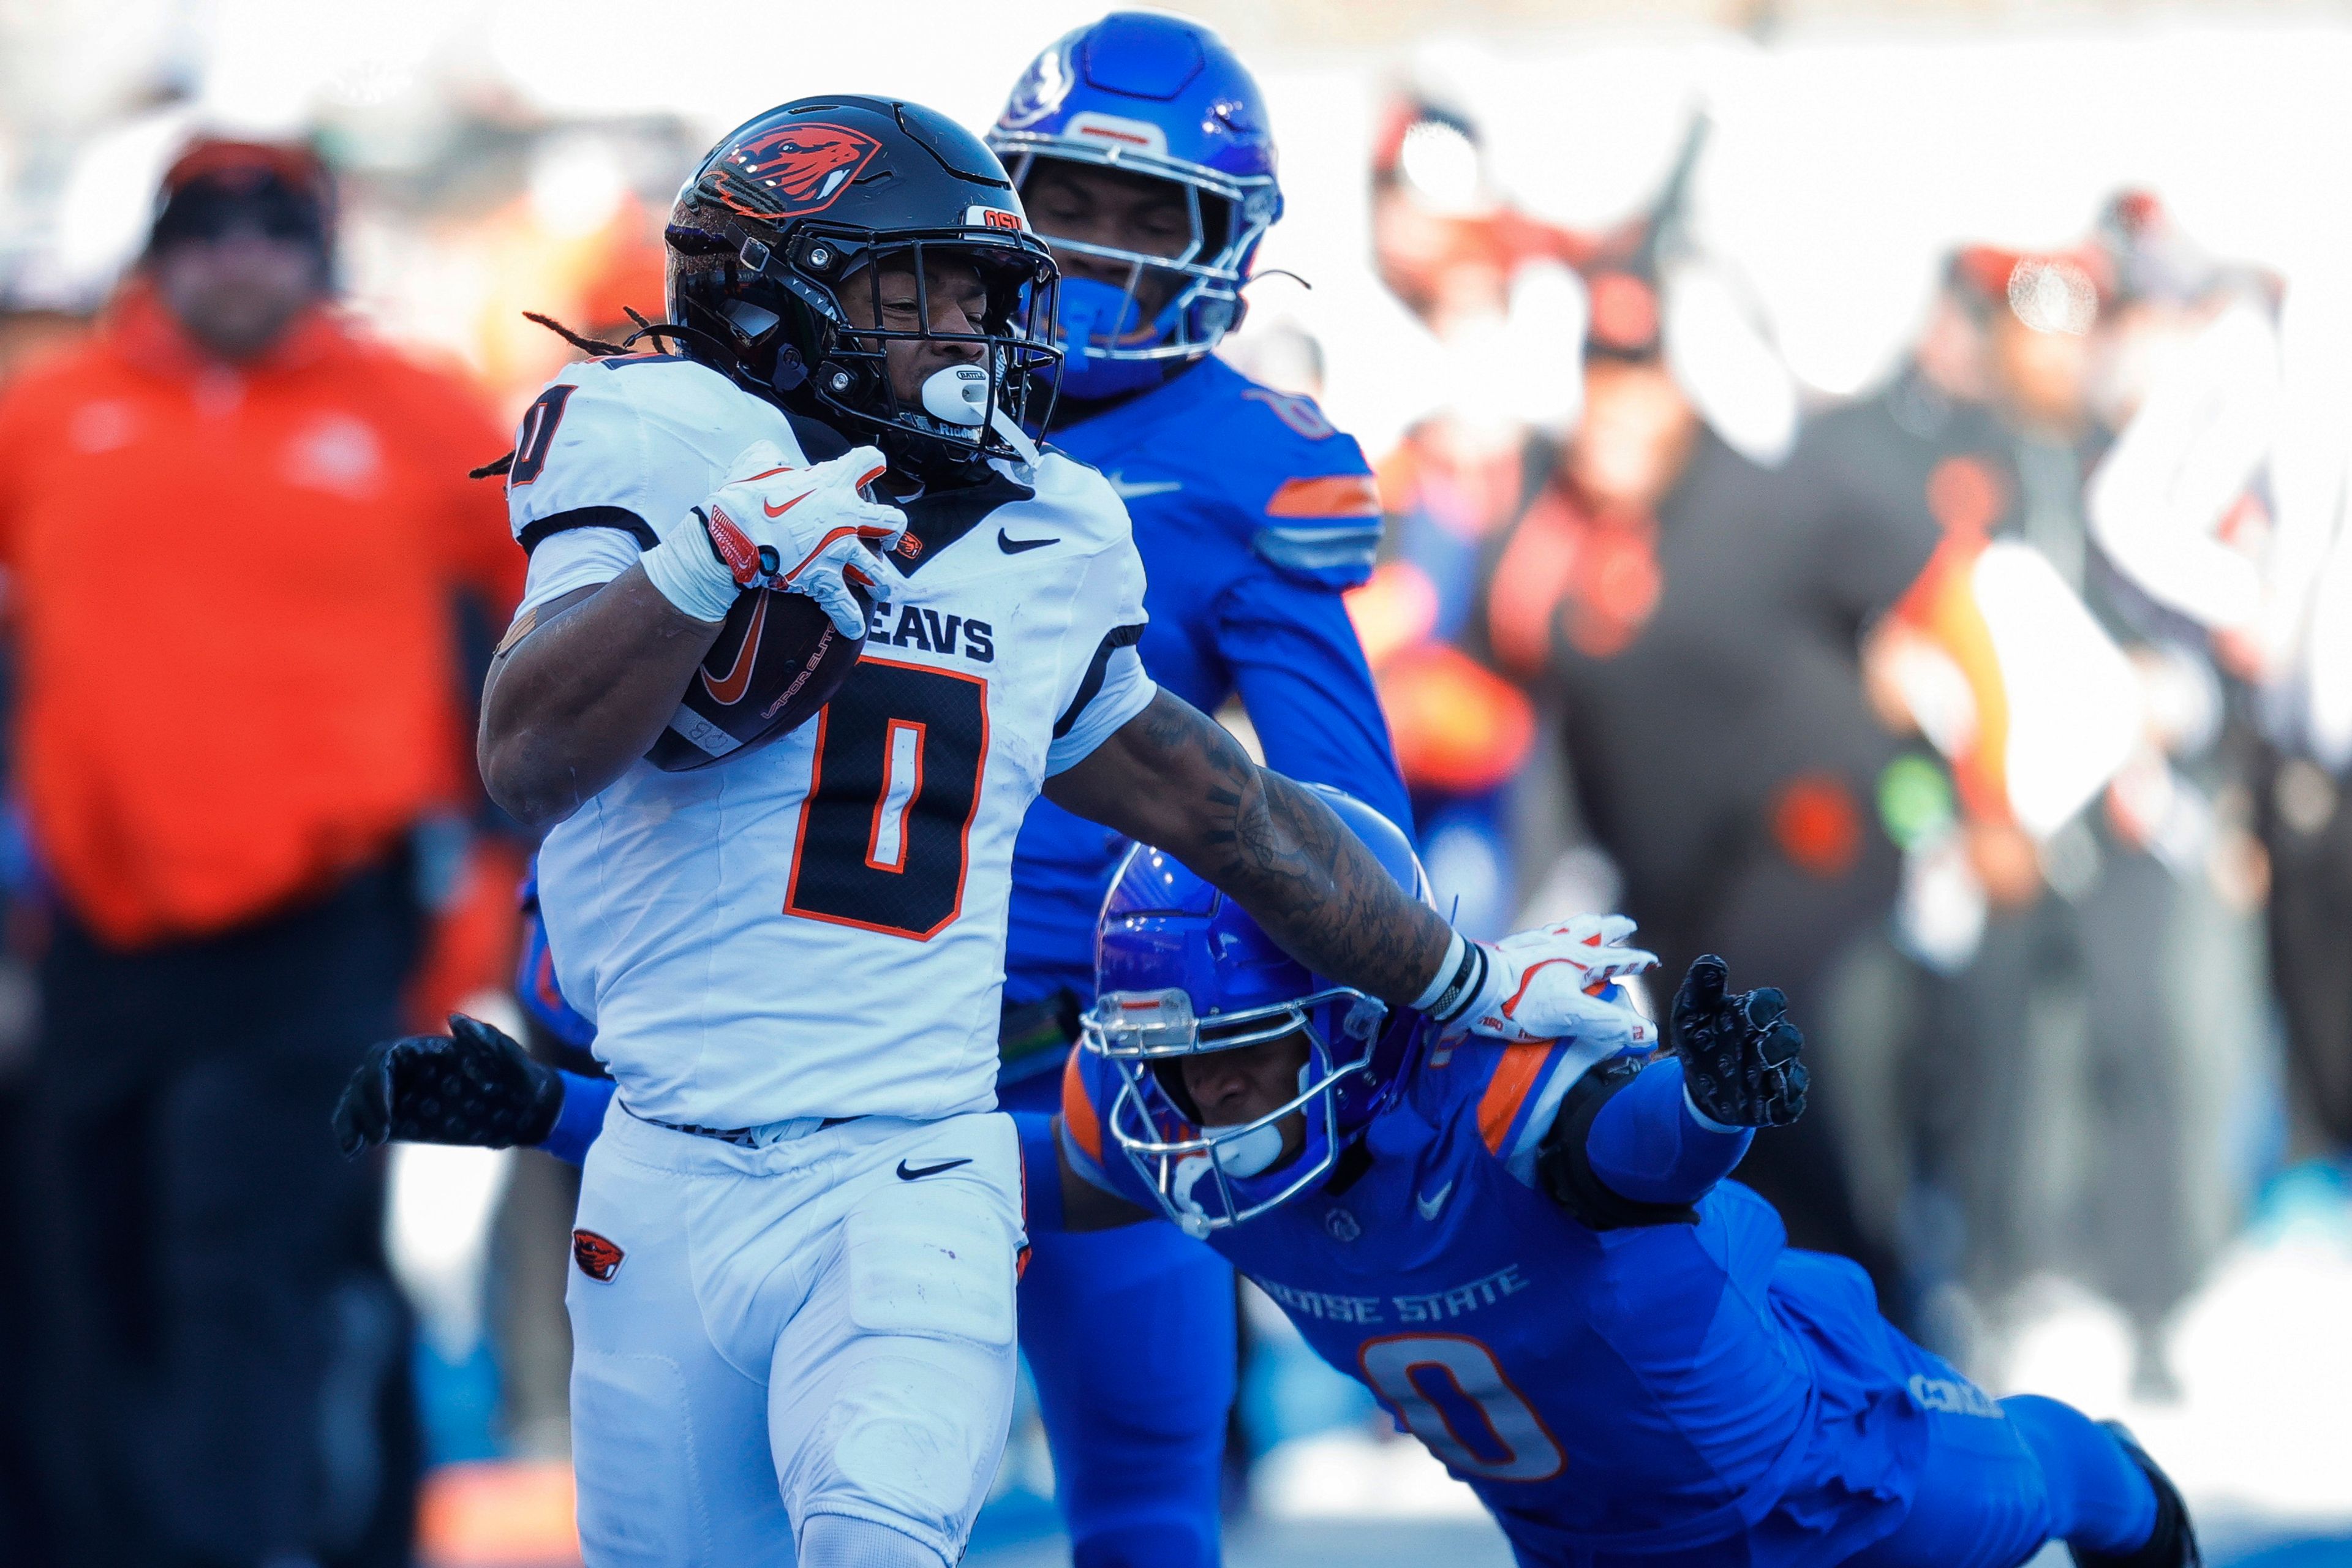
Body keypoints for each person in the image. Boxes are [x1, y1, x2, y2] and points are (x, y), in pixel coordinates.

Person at [467, 92, 1654, 1568]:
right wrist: (709, 567)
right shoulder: (659, 435)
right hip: (666, 1158)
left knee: (881, 1530)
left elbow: (1225, 808)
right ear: (782, 289)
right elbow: (527, 753)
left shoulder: (1047, 525)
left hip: (911, 1164)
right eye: (934, 290)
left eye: (987, 295)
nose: (977, 332)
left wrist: (1462, 979)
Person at [343, 792, 2198, 1568]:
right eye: (1162, 1070)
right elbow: (893, 1158)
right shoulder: (1189, 1141)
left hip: (1816, 1489)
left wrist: (1706, 1111)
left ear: (1363, 1027)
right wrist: (561, 1113)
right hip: (1581, 1539)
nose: (1193, 1110)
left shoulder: (1489, 1097)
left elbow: (1617, 1149)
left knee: (2059, 1480)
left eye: (1234, 1058)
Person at [0, 137, 521, 1567]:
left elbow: (547, 640)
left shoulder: (417, 412)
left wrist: (495, 868)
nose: (240, 255)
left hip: (324, 916)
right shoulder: (52, 417)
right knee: (97, 1263)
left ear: (319, 250)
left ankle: (248, 1543)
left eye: (271, 228)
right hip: (104, 925)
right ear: (160, 251)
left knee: (240, 1256)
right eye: (208, 228)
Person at [986, 15, 1409, 1562]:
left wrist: (1391, 1000)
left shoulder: (1247, 459)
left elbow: (1345, 813)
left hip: (1092, 1074)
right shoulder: (873, 393)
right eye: (1068, 200)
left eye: (1146, 214)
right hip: (839, 1054)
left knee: (1151, 1514)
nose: (1098, 247)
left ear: (1222, 244)